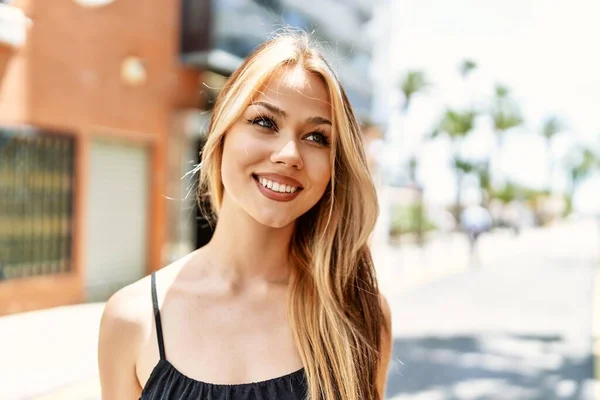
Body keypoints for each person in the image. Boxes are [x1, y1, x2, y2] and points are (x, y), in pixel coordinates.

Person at [98, 32, 392, 400]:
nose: (289, 154)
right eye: (265, 122)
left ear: (335, 166)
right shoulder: (132, 318)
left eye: (317, 137)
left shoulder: (359, 314)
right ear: (221, 133)